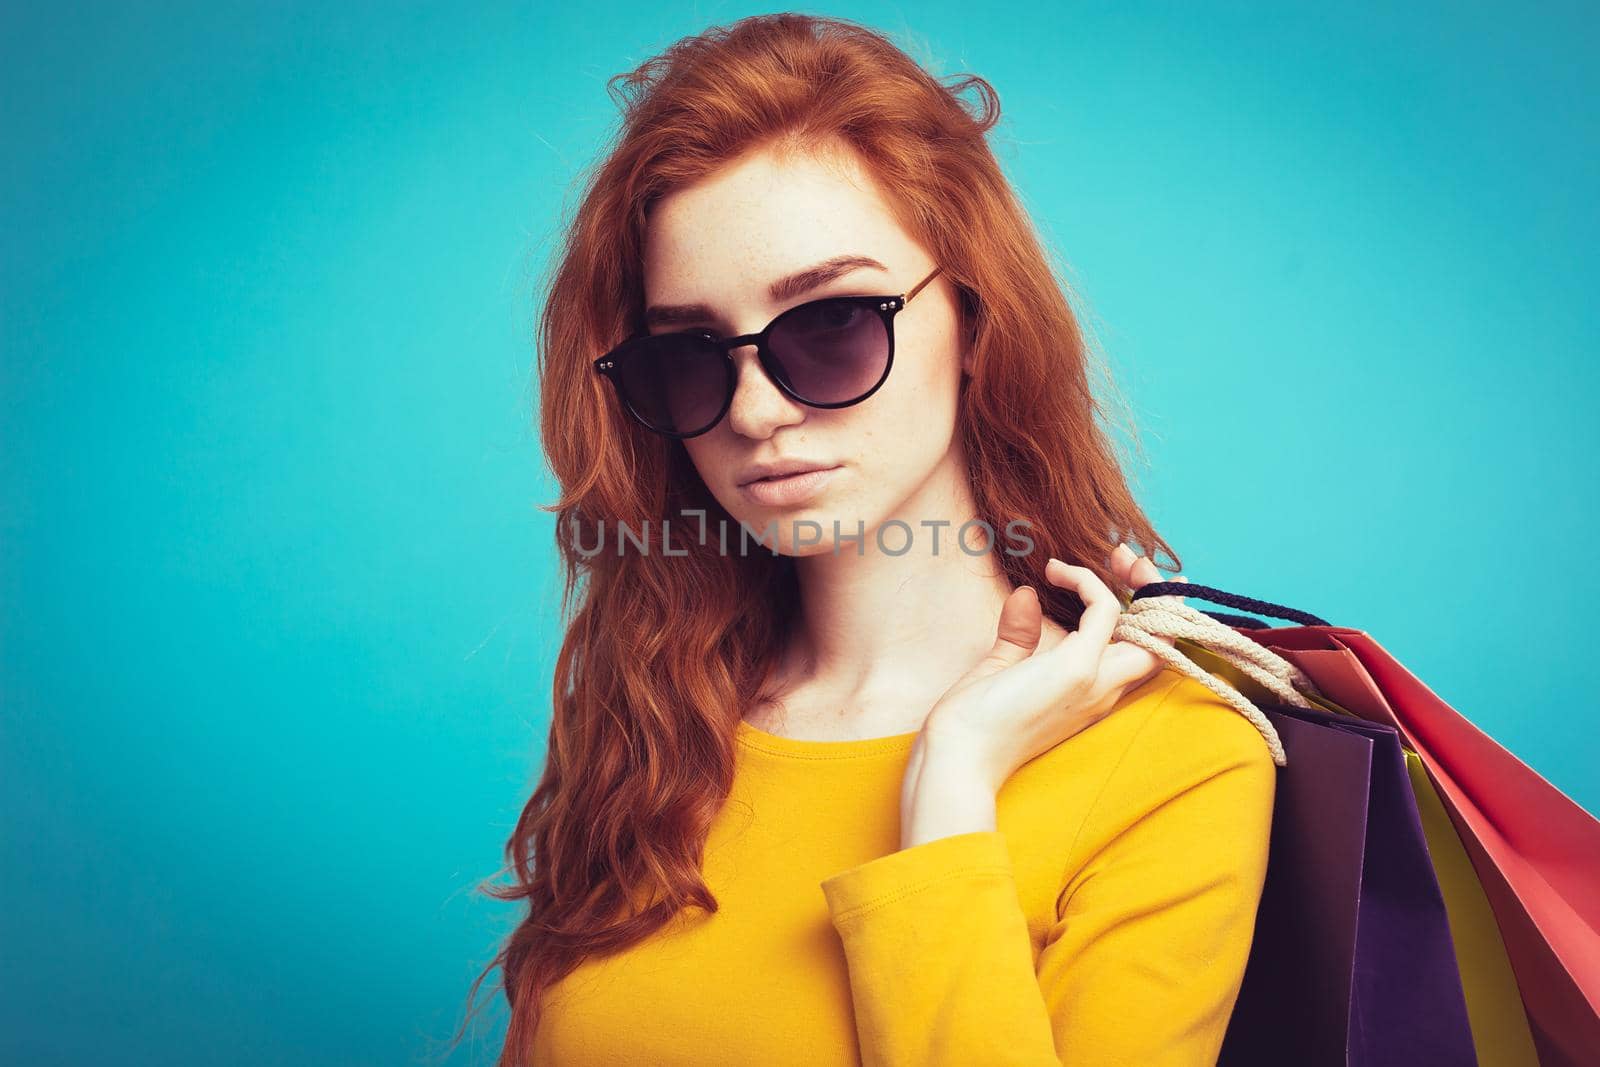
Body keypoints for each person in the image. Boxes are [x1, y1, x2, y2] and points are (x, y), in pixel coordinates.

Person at [459, 13, 1278, 1066]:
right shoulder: (662, 721)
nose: (754, 411)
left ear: (976, 322)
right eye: (691, 356)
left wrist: (952, 784)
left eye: (831, 322)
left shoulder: (1174, 755)